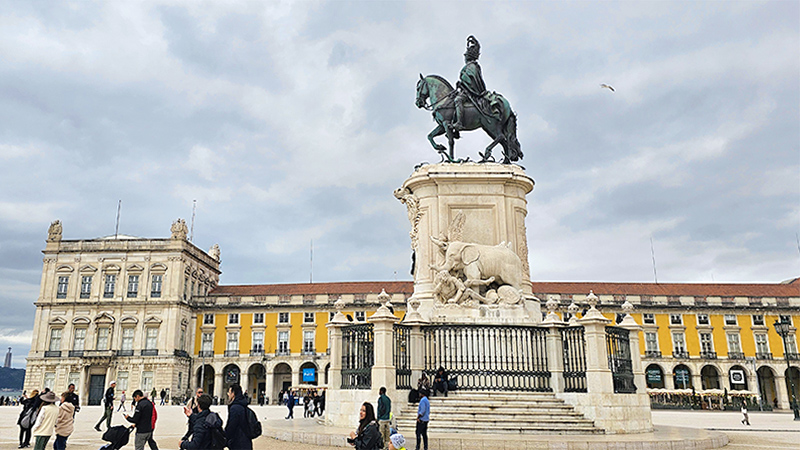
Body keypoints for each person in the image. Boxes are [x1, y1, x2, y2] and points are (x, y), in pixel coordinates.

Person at [453, 35, 487, 131]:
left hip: (471, 92)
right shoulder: (471, 66)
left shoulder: (471, 66)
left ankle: (459, 123)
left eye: (466, 56)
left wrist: (462, 84)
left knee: (458, 100)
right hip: (466, 90)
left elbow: (471, 80)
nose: (465, 58)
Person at [224, 384, 253, 450]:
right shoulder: (243, 405)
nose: (228, 394)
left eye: (229, 392)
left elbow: (231, 426)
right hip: (246, 441)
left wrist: (224, 438)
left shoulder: (235, 408)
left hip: (238, 442)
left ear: (233, 394)